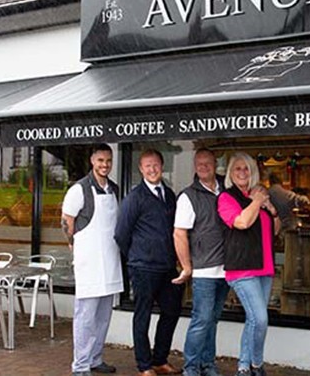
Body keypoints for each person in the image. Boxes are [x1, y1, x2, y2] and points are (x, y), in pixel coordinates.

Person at [115, 149, 182, 376]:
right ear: (141, 169)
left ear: (161, 166)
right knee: (142, 315)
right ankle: (144, 365)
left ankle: (159, 359)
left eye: (155, 165)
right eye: (147, 166)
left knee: (171, 312)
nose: (152, 169)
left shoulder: (170, 195)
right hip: (143, 267)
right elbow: (121, 234)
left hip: (167, 267)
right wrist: (136, 256)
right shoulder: (134, 198)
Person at [61, 143, 123, 376]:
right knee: (86, 317)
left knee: (104, 316)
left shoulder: (114, 189)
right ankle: (80, 365)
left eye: (108, 161)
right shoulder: (79, 189)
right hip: (89, 261)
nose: (105, 165)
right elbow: (67, 219)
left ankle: (96, 358)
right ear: (92, 161)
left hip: (110, 259)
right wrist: (74, 245)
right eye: (100, 161)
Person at [217, 152, 280, 376]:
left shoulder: (259, 196)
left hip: (264, 267)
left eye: (246, 169)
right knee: (260, 318)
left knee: (253, 319)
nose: (242, 173)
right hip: (242, 268)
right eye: (237, 169)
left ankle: (244, 367)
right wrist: (256, 201)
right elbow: (242, 222)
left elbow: (275, 231)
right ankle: (256, 364)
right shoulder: (227, 198)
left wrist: (271, 208)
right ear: (230, 174)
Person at [173, 148, 230, 376]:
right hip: (204, 270)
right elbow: (179, 234)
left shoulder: (227, 190)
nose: (203, 167)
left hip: (227, 270)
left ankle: (208, 364)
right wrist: (187, 266)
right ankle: (191, 367)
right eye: (199, 164)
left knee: (212, 320)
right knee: (202, 319)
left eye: (207, 163)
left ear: (215, 164)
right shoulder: (189, 196)